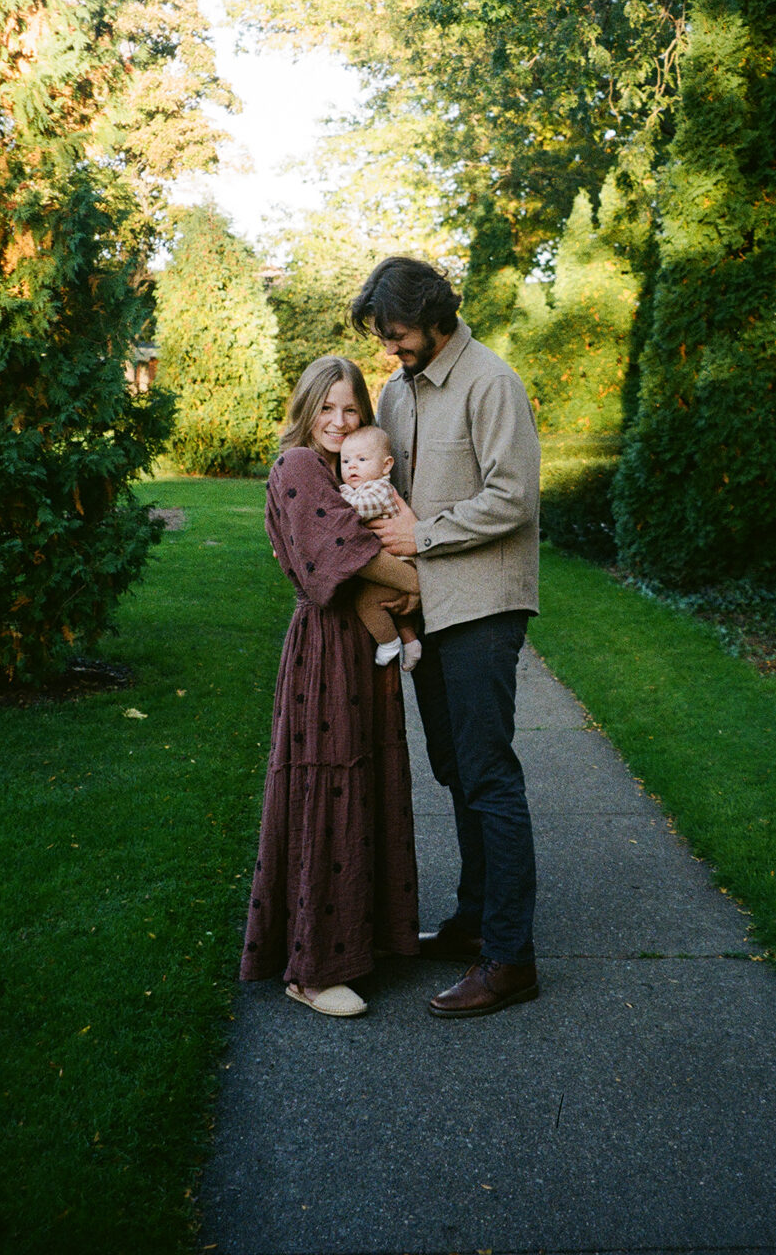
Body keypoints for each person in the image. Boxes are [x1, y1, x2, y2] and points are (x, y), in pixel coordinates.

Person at [351, 256, 541, 1019]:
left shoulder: (490, 381)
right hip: (427, 607)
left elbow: (513, 498)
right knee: (454, 770)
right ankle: (471, 924)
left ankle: (510, 958)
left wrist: (423, 533)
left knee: (488, 774)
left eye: (397, 335)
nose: (391, 350)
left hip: (484, 606)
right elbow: (377, 482)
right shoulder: (398, 390)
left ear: (436, 317)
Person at [239, 356, 421, 1018]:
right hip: (325, 651)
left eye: (352, 411)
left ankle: (365, 940)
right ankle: (312, 969)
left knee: (366, 780)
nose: (341, 423)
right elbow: (346, 555)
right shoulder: (299, 467)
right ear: (305, 407)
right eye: (328, 408)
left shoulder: (347, 466)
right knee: (328, 787)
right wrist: (431, 582)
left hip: (360, 646)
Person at [339, 424, 423, 672]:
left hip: (400, 563)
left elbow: (357, 512)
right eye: (345, 461)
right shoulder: (355, 488)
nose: (352, 466)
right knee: (390, 605)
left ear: (386, 465)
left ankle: (389, 642)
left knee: (367, 601)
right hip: (390, 564)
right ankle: (411, 641)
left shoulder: (379, 489)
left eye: (362, 459)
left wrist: (329, 503)